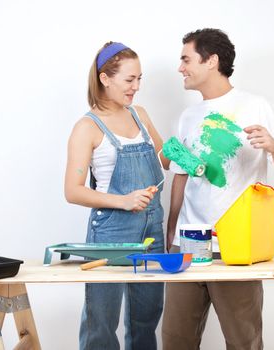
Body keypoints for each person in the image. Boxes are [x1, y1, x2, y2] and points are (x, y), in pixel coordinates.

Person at [161, 29, 274, 350]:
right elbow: (180, 176)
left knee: (243, 342)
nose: (180, 67)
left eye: (186, 59)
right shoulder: (188, 117)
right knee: (175, 341)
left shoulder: (254, 105)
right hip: (189, 248)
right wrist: (170, 231)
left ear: (211, 61)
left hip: (236, 249)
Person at [64, 41, 168, 350]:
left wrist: (189, 155)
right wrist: (123, 201)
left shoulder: (140, 115)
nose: (136, 87)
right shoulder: (87, 127)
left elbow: (164, 160)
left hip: (152, 227)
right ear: (104, 78)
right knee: (102, 322)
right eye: (129, 80)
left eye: (139, 79)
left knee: (146, 318)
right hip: (111, 230)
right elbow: (73, 191)